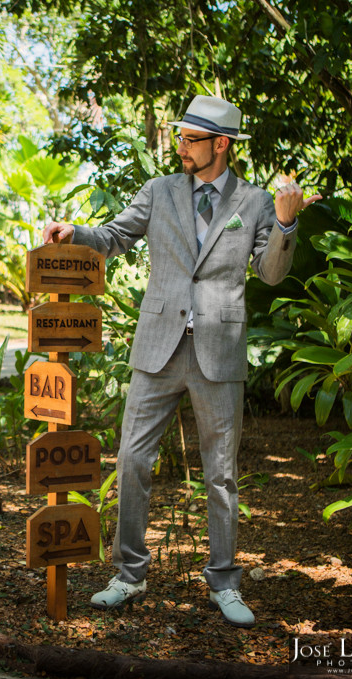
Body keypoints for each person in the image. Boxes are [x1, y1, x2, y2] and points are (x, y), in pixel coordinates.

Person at [43, 95, 320, 628]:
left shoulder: (258, 201)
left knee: (221, 475)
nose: (180, 147)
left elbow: (270, 274)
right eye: (180, 137)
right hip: (157, 348)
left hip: (218, 353)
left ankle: (223, 582)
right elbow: (116, 235)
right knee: (131, 461)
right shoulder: (160, 191)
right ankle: (129, 574)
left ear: (221, 144)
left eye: (190, 139)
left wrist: (285, 225)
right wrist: (75, 232)